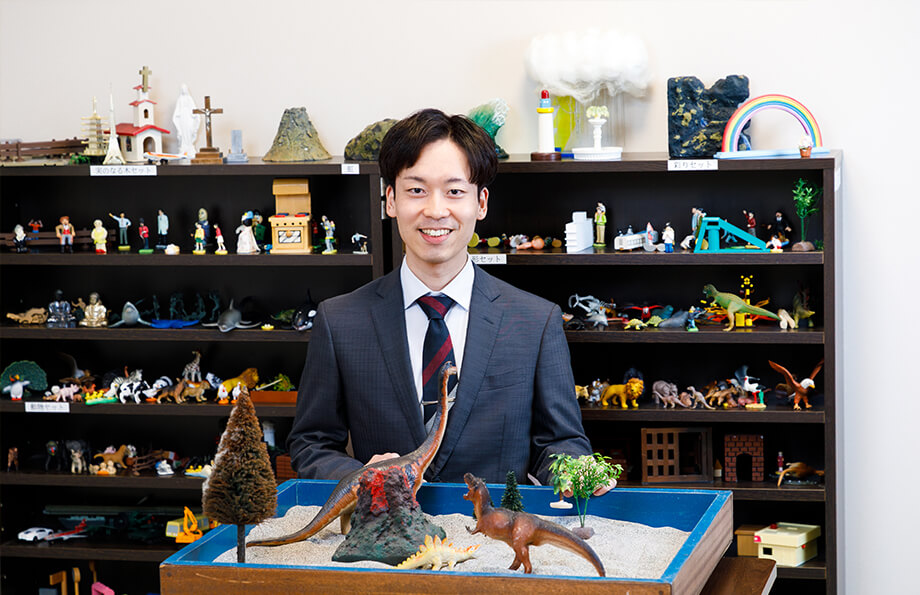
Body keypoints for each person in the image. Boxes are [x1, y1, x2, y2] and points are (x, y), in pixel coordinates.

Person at [287, 108, 599, 488]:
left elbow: (560, 443)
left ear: (481, 203)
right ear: (390, 200)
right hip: (385, 523)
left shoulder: (536, 321)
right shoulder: (340, 321)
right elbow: (311, 444)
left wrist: (578, 473)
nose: (435, 211)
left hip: (493, 523)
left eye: (454, 191)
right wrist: (362, 479)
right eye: (416, 190)